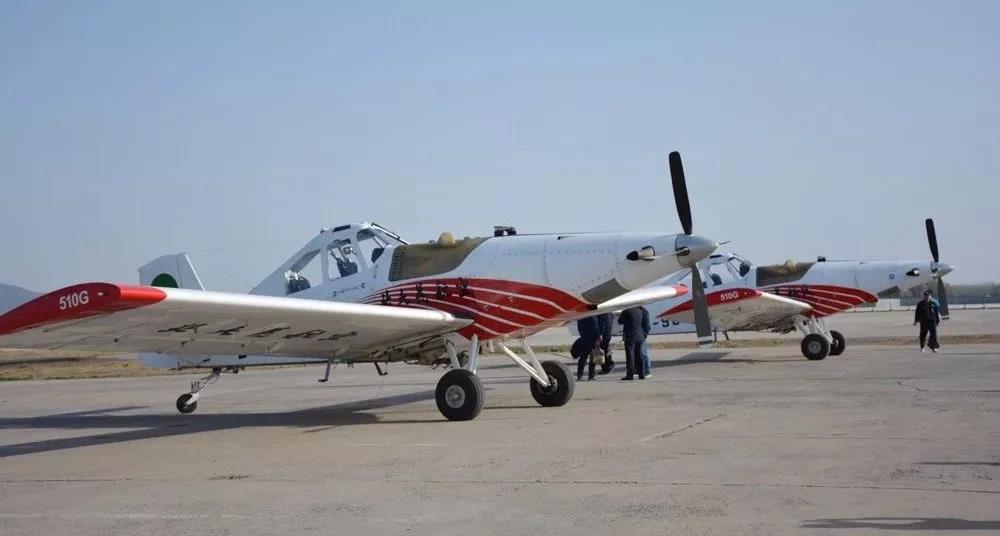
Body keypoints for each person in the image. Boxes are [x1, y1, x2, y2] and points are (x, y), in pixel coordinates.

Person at [618, 306, 650, 380]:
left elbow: (620, 322)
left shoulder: (626, 311)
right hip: (639, 336)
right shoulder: (640, 311)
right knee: (639, 356)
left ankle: (630, 375)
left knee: (630, 356)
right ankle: (642, 374)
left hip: (630, 336)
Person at [575, 316, 600, 381]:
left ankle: (579, 375)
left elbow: (579, 328)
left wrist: (583, 336)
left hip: (584, 339)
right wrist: (598, 338)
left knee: (583, 358)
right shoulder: (592, 317)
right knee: (592, 359)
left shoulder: (581, 317)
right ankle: (591, 376)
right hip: (592, 340)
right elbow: (596, 328)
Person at [640, 306, 652, 377]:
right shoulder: (642, 311)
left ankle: (647, 371)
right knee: (641, 353)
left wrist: (644, 335)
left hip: (642, 335)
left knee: (644, 353)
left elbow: (647, 325)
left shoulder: (643, 311)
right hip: (640, 335)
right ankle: (643, 370)